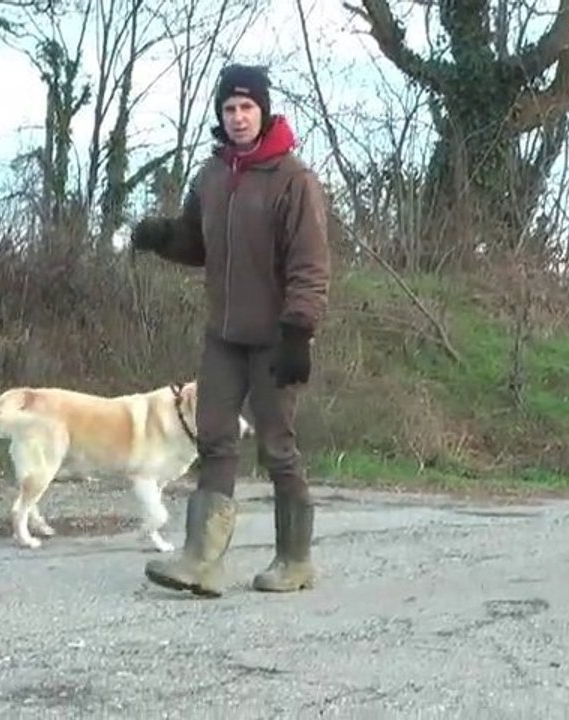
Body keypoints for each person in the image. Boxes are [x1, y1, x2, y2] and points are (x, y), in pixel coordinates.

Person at [130, 63, 331, 598]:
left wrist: (299, 331)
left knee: (277, 447)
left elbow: (310, 266)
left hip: (276, 338)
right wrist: (161, 237)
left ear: (263, 111)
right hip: (223, 336)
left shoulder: (294, 181)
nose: (238, 117)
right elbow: (196, 244)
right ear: (220, 116)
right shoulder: (211, 176)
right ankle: (200, 561)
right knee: (215, 439)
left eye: (247, 107)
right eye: (229, 108)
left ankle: (295, 560)